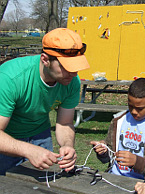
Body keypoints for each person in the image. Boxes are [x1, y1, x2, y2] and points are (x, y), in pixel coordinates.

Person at [0, 28, 90, 175]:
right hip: (7, 140)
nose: (73, 73)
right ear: (45, 60)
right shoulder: (10, 78)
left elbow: (65, 122)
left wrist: (68, 145)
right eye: (67, 67)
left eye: (76, 67)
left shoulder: (71, 81)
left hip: (40, 135)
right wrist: (27, 150)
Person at [90, 78, 145, 179]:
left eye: (140, 108)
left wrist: (137, 162)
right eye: (130, 106)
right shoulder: (118, 120)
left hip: (144, 184)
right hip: (114, 178)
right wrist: (103, 152)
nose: (134, 111)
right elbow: (109, 157)